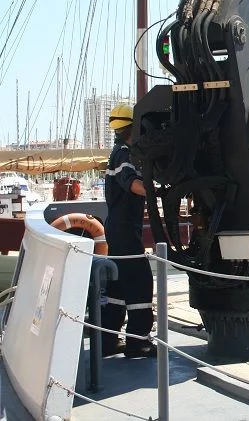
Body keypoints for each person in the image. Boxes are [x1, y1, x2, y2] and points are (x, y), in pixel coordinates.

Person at [100, 104, 156, 358]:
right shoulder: (123, 154)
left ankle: (107, 341)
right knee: (140, 281)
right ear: (134, 127)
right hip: (124, 231)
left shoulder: (118, 151)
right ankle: (138, 342)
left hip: (118, 229)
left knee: (118, 288)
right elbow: (131, 183)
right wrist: (158, 192)